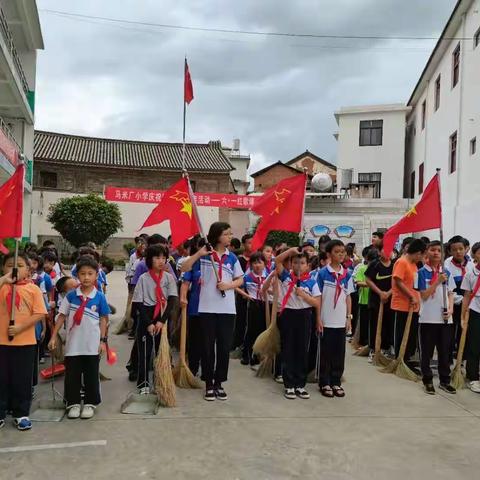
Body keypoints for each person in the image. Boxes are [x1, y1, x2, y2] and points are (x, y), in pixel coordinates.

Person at [182, 222, 244, 401]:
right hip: (207, 308)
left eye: (230, 233)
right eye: (227, 233)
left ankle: (219, 382)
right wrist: (198, 254)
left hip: (227, 309)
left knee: (224, 347)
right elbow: (184, 268)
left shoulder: (232, 258)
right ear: (217, 236)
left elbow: (240, 280)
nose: (230, 236)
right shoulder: (204, 256)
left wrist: (228, 285)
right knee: (207, 347)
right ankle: (209, 382)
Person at [48, 256, 110, 420]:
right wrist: (53, 336)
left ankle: (90, 403)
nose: (86, 277)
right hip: (73, 344)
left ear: (97, 275)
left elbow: (104, 319)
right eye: (83, 274)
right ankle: (73, 403)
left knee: (91, 374)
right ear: (77, 276)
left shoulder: (99, 297)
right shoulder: (71, 296)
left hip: (92, 344)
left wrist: (103, 341)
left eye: (90, 273)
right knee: (72, 375)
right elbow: (61, 317)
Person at [0, 252, 48, 430]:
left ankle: (21, 413)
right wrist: (4, 280)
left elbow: (39, 313)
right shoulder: (2, 286)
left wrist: (20, 328)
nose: (14, 268)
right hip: (2, 342)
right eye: (9, 265)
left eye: (19, 265)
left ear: (28, 270)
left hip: (25, 342)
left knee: (22, 379)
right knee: (2, 378)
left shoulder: (33, 289)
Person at [275, 247, 321, 400]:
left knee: (302, 350)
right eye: (295, 262)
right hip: (288, 315)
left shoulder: (311, 282)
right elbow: (277, 261)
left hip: (304, 316)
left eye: (302, 263)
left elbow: (316, 302)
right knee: (288, 349)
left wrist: (303, 295)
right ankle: (289, 384)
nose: (299, 266)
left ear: (307, 266)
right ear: (291, 264)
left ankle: (300, 384)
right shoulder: (286, 277)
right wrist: (290, 251)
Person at [132, 245, 178, 392]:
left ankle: (160, 381)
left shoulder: (169, 278)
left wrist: (161, 321)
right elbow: (138, 302)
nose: (161, 261)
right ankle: (143, 383)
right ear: (149, 259)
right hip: (146, 315)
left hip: (162, 317)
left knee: (161, 352)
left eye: (163, 258)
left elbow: (172, 300)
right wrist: (148, 323)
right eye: (157, 257)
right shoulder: (143, 278)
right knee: (144, 352)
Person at [416, 241, 456, 395]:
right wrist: (437, 281)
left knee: (445, 351)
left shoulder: (446, 272)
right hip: (427, 319)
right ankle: (427, 380)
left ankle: (445, 381)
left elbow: (451, 293)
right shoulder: (420, 273)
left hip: (445, 319)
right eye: (433, 250)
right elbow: (424, 295)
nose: (436, 253)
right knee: (426, 352)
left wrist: (451, 309)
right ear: (427, 252)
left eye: (439, 250)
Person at [316, 240, 354, 398]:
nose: (341, 254)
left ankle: (336, 381)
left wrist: (349, 318)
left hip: (340, 320)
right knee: (326, 352)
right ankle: (324, 382)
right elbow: (317, 297)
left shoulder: (347, 274)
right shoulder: (322, 273)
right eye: (337, 251)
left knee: (339, 352)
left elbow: (348, 297)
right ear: (329, 254)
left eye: (343, 252)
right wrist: (318, 318)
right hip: (326, 319)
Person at [391, 239, 426, 372]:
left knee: (411, 335)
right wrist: (410, 296)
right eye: (422, 255)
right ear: (418, 253)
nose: (422, 258)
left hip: (414, 305)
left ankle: (407, 359)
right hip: (402, 305)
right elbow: (398, 281)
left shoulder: (414, 264)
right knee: (401, 334)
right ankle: (400, 359)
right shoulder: (402, 262)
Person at [237, 252, 267, 367]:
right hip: (253, 304)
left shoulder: (268, 275)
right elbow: (236, 286)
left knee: (262, 330)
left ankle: (258, 356)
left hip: (265, 304)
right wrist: (246, 295)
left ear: (265, 264)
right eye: (254, 263)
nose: (257, 265)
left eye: (260, 262)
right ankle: (246, 355)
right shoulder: (247, 277)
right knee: (251, 330)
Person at [444, 235, 473, 353]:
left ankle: (462, 356)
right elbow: (447, 288)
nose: (458, 252)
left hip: (469, 304)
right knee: (450, 331)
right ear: (450, 251)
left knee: (465, 330)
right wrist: (459, 300)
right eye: (454, 250)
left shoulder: (471, 265)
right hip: (454, 303)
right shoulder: (446, 265)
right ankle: (449, 356)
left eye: (461, 248)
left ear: (466, 248)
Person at [365, 243, 394, 358]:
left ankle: (386, 348)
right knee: (375, 324)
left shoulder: (395, 265)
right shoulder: (374, 264)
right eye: (385, 250)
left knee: (388, 324)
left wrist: (388, 293)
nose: (387, 253)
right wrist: (380, 293)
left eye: (390, 250)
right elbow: (368, 280)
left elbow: (397, 281)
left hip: (390, 299)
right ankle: (373, 349)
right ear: (379, 252)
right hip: (376, 300)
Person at [179, 237, 203, 377]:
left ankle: (206, 369)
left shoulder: (217, 263)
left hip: (212, 309)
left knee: (208, 342)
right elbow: (185, 282)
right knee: (194, 340)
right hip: (195, 306)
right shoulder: (194, 263)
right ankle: (192, 367)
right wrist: (183, 297)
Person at [461, 242, 480, 393]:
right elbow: (466, 296)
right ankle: (473, 377)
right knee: (474, 346)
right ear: (474, 255)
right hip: (475, 313)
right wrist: (463, 315)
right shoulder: (470, 273)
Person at [232, 234, 253, 354]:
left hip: (254, 295)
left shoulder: (257, 259)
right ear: (244, 244)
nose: (252, 245)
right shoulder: (238, 260)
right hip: (241, 293)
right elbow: (236, 278)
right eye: (249, 242)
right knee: (240, 319)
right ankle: (237, 343)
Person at [353, 247, 373, 351]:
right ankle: (363, 343)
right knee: (364, 324)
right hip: (364, 300)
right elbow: (358, 282)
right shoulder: (361, 268)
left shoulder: (377, 269)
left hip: (375, 301)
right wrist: (370, 284)